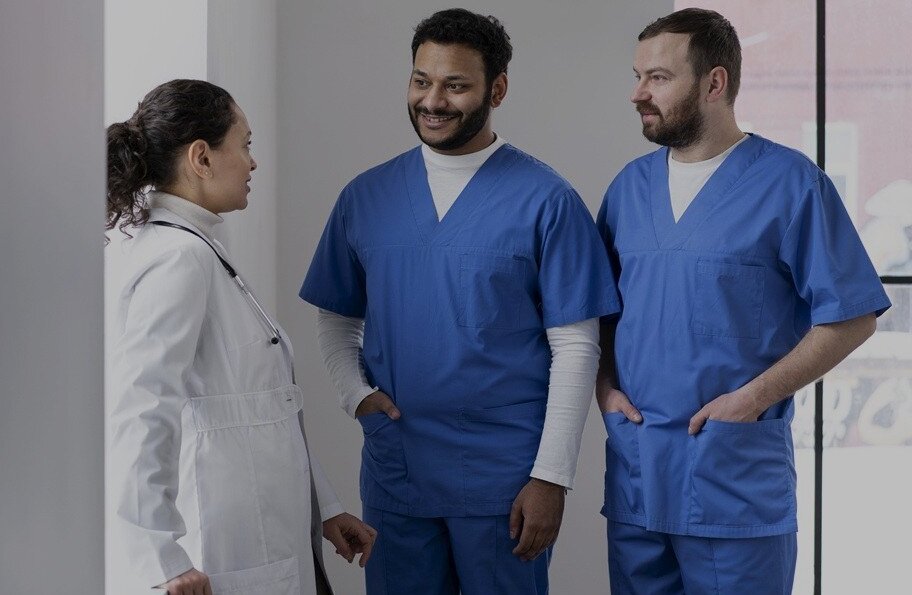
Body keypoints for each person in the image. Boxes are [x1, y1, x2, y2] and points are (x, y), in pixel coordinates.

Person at [300, 9, 618, 594]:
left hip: (504, 477)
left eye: (456, 85)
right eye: (421, 80)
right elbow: (336, 318)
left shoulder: (547, 200)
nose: (433, 100)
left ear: (497, 89)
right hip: (399, 469)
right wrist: (356, 395)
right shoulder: (366, 197)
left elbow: (576, 346)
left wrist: (552, 476)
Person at [595, 8, 891, 594]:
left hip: (732, 481)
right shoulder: (629, 188)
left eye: (657, 77)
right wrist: (604, 387)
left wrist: (755, 397)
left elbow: (853, 317)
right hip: (639, 474)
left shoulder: (791, 184)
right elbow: (598, 312)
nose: (637, 93)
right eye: (637, 75)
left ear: (714, 82)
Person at [106, 79, 375, 595]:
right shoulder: (178, 260)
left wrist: (324, 504)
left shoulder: (201, 249)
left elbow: (264, 407)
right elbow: (143, 408)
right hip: (225, 545)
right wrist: (160, 558)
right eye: (245, 144)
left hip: (269, 528)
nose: (253, 163)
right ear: (202, 157)